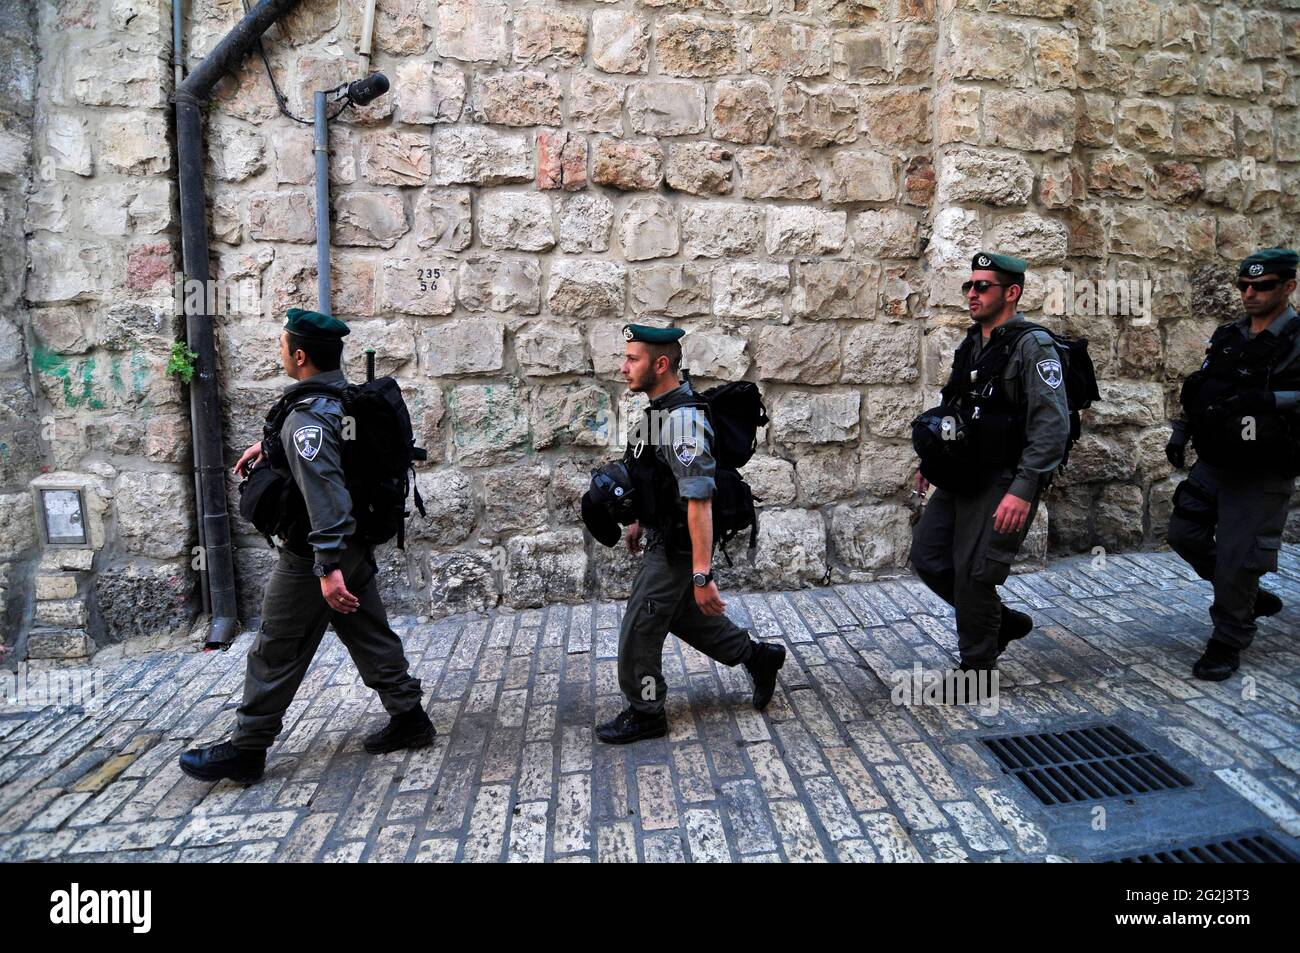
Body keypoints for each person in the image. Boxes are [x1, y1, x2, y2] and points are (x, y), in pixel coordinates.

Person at [179, 308, 433, 784]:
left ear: (299, 356)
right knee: (367, 631)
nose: (279, 353)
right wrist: (270, 445)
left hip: (314, 556)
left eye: (281, 347)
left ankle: (247, 748)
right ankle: (410, 718)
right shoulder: (336, 399)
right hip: (351, 544)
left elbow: (326, 495)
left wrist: (327, 567)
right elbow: (326, 453)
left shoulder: (307, 421)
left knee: (277, 647)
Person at [596, 324, 786, 744]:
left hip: (680, 546)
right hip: (664, 534)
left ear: (660, 364)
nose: (623, 367)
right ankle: (759, 657)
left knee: (641, 630)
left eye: (633, 359)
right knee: (683, 617)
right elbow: (654, 478)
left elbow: (700, 500)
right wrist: (639, 521)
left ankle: (646, 710)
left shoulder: (682, 422)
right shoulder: (657, 408)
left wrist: (702, 574)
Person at [909, 252, 1071, 697]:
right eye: (970, 286)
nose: (972, 294)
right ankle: (1003, 622)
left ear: (1012, 292)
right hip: (963, 472)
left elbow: (1053, 426)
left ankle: (977, 669)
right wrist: (931, 464)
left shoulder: (1033, 346)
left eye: (983, 286)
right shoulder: (974, 342)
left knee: (975, 572)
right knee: (929, 556)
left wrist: (1024, 488)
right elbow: (956, 409)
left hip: (1005, 477)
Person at [1166, 248, 1300, 681]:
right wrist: (1183, 431)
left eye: (1262, 286)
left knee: (1238, 559)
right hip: (1217, 458)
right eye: (1244, 285)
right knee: (1183, 533)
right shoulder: (1229, 334)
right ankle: (1247, 595)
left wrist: (1268, 399)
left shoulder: (1297, 338)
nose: (1250, 293)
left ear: (1288, 287)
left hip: (1262, 467)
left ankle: (1228, 640)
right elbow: (1205, 386)